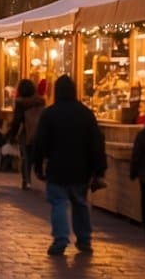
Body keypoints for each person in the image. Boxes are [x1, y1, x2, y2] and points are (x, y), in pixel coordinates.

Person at [31, 75, 106, 257]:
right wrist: (99, 169)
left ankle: (61, 239)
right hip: (81, 168)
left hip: (57, 167)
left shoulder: (50, 114)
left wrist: (38, 165)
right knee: (80, 203)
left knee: (59, 202)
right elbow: (96, 143)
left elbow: (40, 142)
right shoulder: (85, 114)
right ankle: (84, 238)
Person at [7, 78, 45, 190]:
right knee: (36, 155)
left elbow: (17, 121)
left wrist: (12, 136)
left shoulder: (20, 103)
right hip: (38, 131)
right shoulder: (40, 101)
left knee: (25, 157)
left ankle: (26, 180)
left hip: (25, 132)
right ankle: (38, 174)